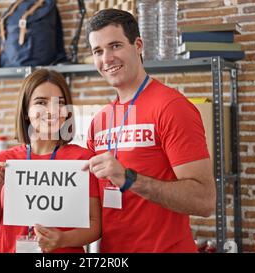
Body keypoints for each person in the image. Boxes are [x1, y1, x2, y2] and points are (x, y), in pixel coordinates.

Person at [82, 9, 216, 252]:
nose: (107, 58)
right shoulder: (99, 120)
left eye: (115, 46)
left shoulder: (172, 107)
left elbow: (204, 200)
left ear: (138, 45)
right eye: (98, 51)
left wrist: (130, 179)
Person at [0, 69, 101, 253]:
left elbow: (95, 225)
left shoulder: (82, 160)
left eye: (59, 103)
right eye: (41, 102)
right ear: (26, 111)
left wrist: (64, 239)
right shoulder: (4, 160)